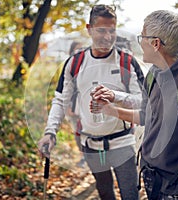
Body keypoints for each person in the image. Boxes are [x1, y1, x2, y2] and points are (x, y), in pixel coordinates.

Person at [91, 10, 178, 199]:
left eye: (142, 37)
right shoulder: (154, 74)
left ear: (155, 43)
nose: (140, 42)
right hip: (151, 179)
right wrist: (110, 110)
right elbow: (147, 116)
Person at [38, 4, 144, 200]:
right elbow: (60, 100)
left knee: (130, 195)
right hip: (91, 146)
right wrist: (50, 132)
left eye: (112, 30)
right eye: (101, 30)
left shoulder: (127, 62)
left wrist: (114, 96)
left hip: (122, 142)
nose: (107, 36)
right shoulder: (75, 62)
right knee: (105, 193)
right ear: (89, 29)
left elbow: (143, 102)